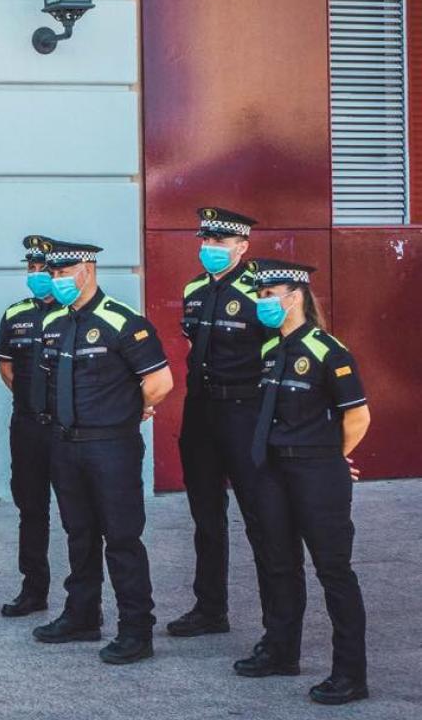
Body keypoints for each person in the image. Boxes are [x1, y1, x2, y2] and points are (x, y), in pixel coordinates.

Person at [32, 239, 172, 667]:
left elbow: (159, 382)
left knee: (122, 538)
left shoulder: (123, 321)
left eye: (63, 272)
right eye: (52, 273)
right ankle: (82, 615)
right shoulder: (54, 321)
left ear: (87, 270)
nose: (57, 280)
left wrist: (130, 411)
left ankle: (136, 629)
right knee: (79, 534)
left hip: (111, 445)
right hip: (65, 444)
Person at [238, 259, 369, 705]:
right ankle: (280, 650)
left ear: (295, 297)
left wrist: (334, 459)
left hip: (316, 473)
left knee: (334, 571)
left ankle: (350, 674)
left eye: (268, 294)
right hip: (273, 471)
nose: (262, 302)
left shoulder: (327, 350)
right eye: (259, 295)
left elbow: (358, 414)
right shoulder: (270, 351)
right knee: (278, 564)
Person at [169, 207, 267, 640]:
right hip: (202, 412)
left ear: (242, 247)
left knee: (262, 519)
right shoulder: (194, 288)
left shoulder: (260, 290)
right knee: (206, 516)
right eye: (205, 241)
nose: (209, 249)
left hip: (245, 411)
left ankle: (277, 628)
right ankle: (210, 608)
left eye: (220, 242)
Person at [0, 235, 58, 618]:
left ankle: (86, 601)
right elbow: (7, 368)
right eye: (31, 269)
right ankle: (33, 589)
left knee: (81, 517)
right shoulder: (16, 314)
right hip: (28, 427)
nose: (36, 276)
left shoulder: (74, 315)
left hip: (68, 430)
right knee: (31, 510)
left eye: (44, 269)